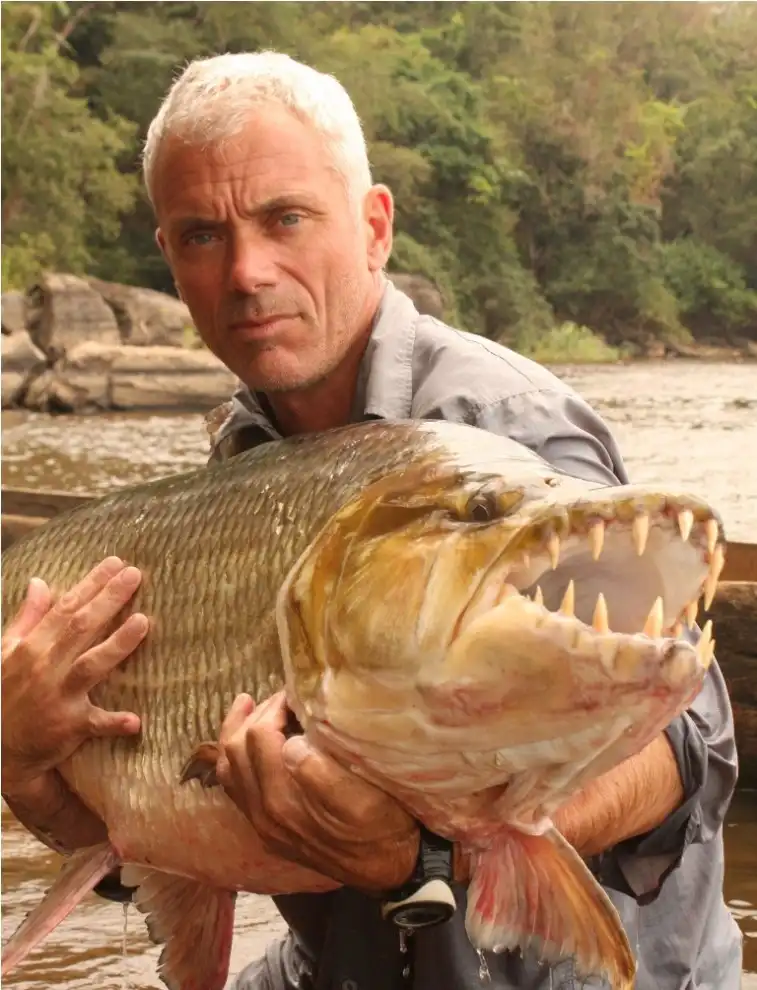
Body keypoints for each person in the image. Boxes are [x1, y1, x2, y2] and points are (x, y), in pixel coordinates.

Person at [1, 51, 742, 990]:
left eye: (285, 218)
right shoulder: (241, 460)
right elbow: (158, 828)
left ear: (374, 228)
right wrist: (19, 763)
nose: (246, 272)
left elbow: (687, 741)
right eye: (202, 235)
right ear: (170, 262)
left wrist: (430, 854)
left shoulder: (499, 428)